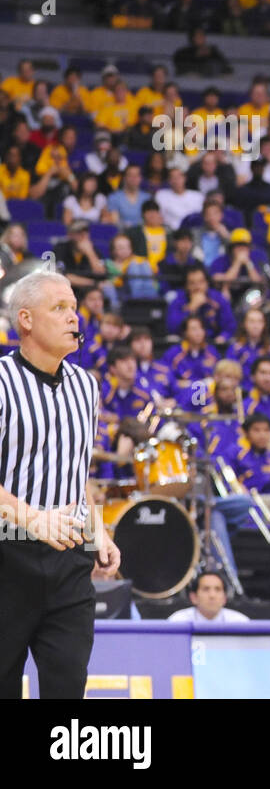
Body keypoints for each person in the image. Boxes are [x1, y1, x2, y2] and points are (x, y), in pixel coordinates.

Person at [0, 270, 120, 699]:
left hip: (69, 560)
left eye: (74, 307)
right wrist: (32, 519)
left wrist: (98, 529)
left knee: (69, 686)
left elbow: (76, 470)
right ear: (26, 320)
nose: (75, 317)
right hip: (6, 555)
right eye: (60, 308)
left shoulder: (86, 386)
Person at [166, 572, 250, 624]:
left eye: (218, 589)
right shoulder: (178, 621)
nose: (212, 595)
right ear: (193, 597)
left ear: (224, 598)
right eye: (206, 589)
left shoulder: (240, 622)